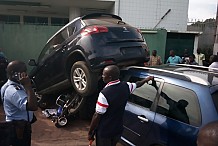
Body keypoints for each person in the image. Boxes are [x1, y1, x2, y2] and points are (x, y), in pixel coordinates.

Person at [88, 65, 153, 146]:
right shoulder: (127, 86)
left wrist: (90, 132)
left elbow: (97, 115)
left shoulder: (104, 94)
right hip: (117, 129)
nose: (102, 76)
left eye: (104, 75)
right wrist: (147, 79)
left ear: (110, 77)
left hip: (105, 132)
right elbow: (138, 84)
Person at [0, 60, 38, 146]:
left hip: (18, 127)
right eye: (23, 71)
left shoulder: (8, 85)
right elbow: (33, 106)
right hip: (18, 129)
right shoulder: (13, 90)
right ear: (14, 73)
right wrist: (28, 86)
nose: (26, 74)